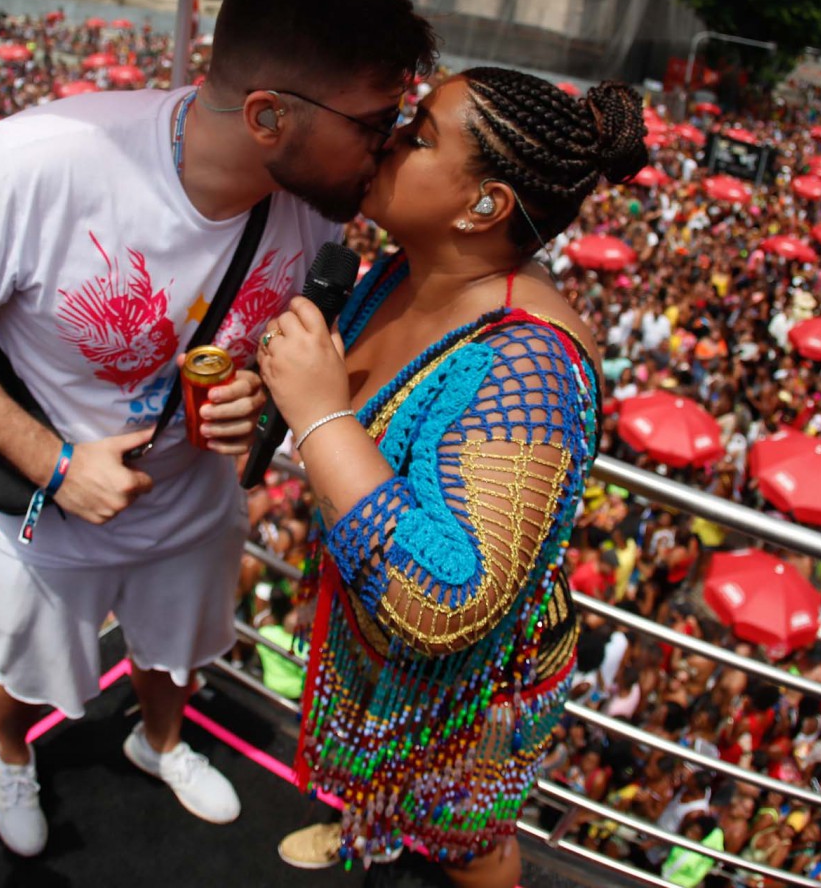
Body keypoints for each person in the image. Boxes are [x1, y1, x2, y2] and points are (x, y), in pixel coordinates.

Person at [0, 0, 436, 859]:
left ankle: (159, 738)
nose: (387, 149)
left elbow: (255, 342)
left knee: (177, 646)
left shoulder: (310, 204)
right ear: (268, 117)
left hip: (190, 498)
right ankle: (12, 752)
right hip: (47, 507)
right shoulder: (38, 164)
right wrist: (53, 462)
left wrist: (248, 398)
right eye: (374, 123)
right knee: (25, 663)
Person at [257, 69, 644, 886]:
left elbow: (451, 598)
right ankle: (367, 826)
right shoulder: (405, 270)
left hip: (470, 690)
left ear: (484, 206)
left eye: (421, 135)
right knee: (378, 780)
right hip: (372, 642)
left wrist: (320, 419)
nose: (388, 137)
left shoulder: (528, 368)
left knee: (469, 841)